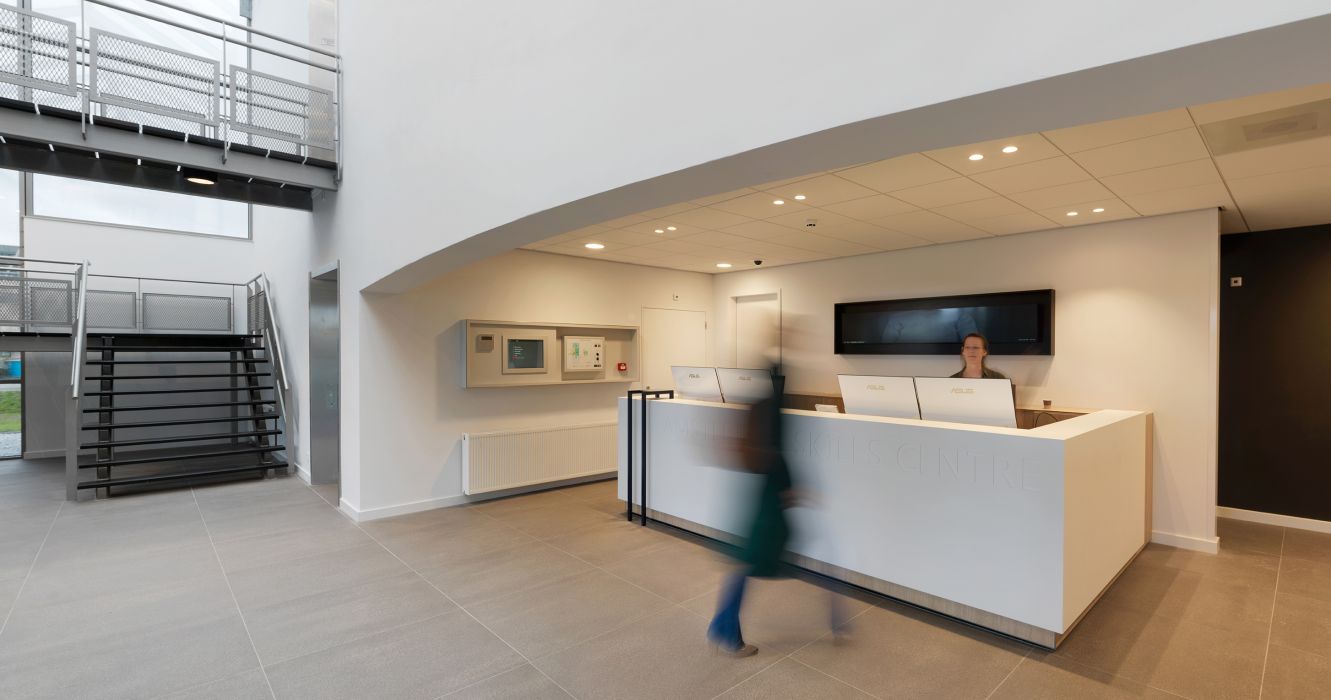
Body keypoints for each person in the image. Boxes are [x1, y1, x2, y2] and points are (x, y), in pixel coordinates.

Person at [706, 368, 791, 657]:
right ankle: (726, 632)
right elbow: (776, 461)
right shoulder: (769, 415)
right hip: (763, 508)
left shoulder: (756, 414)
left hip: (756, 505)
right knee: (746, 567)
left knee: (743, 566)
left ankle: (722, 627)